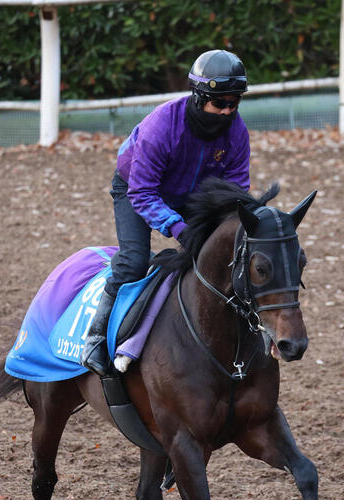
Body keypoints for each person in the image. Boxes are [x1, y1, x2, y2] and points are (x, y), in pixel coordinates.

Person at [81, 49, 251, 376]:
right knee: (134, 260)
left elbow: (235, 192)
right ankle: (97, 334)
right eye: (221, 103)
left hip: (192, 193)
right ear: (200, 98)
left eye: (234, 103)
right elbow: (143, 192)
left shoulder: (237, 132)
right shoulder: (163, 124)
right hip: (138, 187)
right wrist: (177, 228)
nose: (228, 111)